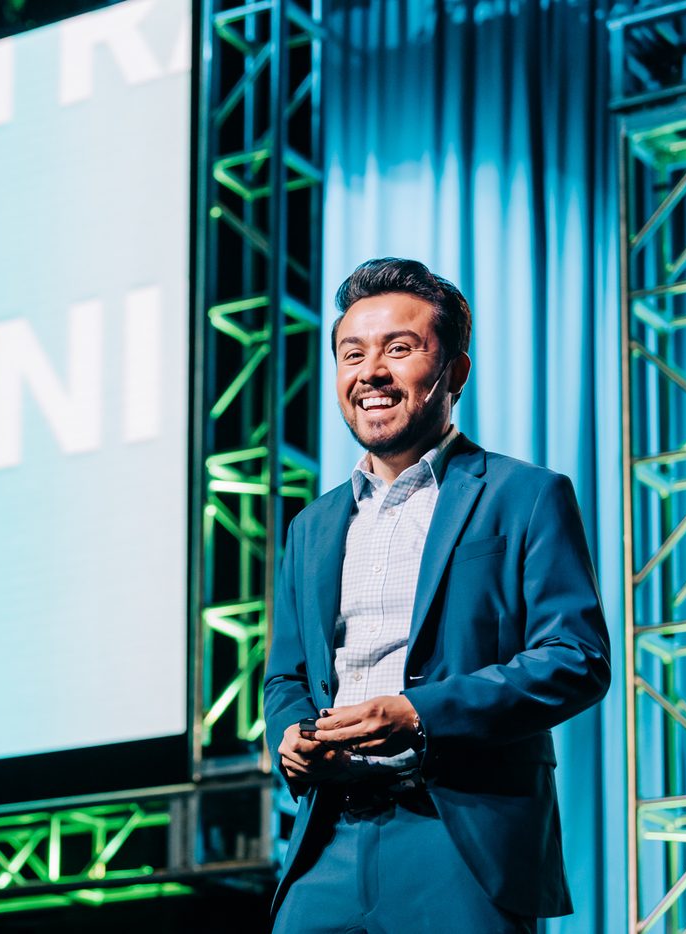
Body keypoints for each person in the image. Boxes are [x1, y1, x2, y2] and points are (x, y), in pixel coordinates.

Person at [264, 258, 610, 932]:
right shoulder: (311, 526)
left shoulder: (525, 495)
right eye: (351, 353)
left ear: (454, 372)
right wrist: (290, 733)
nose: (371, 372)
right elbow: (285, 674)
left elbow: (576, 658)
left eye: (400, 349)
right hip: (327, 838)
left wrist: (418, 713)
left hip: (460, 835)